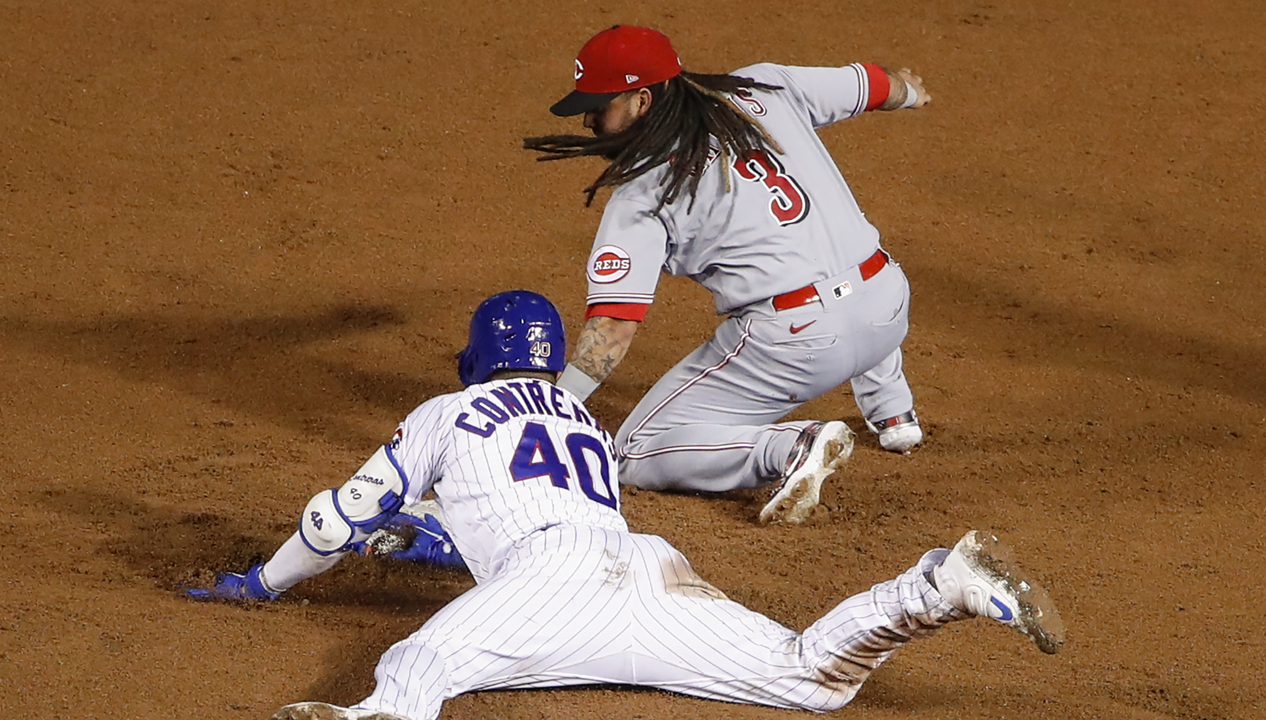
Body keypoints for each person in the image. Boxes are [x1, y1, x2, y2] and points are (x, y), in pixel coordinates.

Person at [186, 289, 1064, 720]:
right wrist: (437, 545)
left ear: (473, 360)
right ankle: (937, 586)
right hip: (646, 571)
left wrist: (260, 585)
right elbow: (525, 513)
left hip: (547, 582)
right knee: (809, 679)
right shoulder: (583, 419)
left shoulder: (448, 412)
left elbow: (334, 524)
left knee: (417, 671)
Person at [524, 26, 931, 523]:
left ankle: (788, 448)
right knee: (833, 247)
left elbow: (613, 327)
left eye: (599, 105)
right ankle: (894, 412)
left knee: (634, 449)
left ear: (642, 100)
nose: (588, 119)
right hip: (888, 304)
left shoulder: (644, 191)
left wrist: (548, 411)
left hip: (802, 344)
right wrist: (909, 92)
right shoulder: (762, 86)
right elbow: (874, 85)